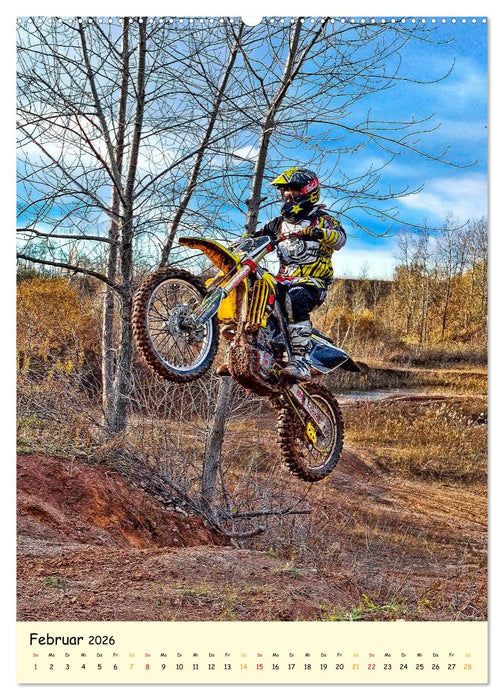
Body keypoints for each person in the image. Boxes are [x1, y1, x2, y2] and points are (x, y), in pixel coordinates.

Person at [252, 167, 347, 380]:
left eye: (293, 190)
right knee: (256, 293)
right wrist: (238, 248)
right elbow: (253, 241)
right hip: (282, 281)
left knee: (295, 296)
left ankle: (301, 361)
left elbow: (340, 239)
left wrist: (319, 233)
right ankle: (255, 352)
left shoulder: (323, 219)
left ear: (308, 190)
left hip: (313, 283)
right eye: (284, 191)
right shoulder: (278, 224)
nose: (288, 195)